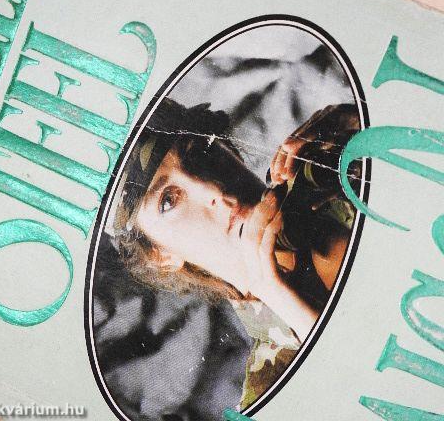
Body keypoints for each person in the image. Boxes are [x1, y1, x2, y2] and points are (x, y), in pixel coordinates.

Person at [114, 97, 360, 408]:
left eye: (199, 153)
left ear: (228, 147)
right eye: (168, 201)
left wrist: (361, 123)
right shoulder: (270, 392)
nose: (212, 190)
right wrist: (283, 299)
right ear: (159, 256)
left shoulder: (341, 164)